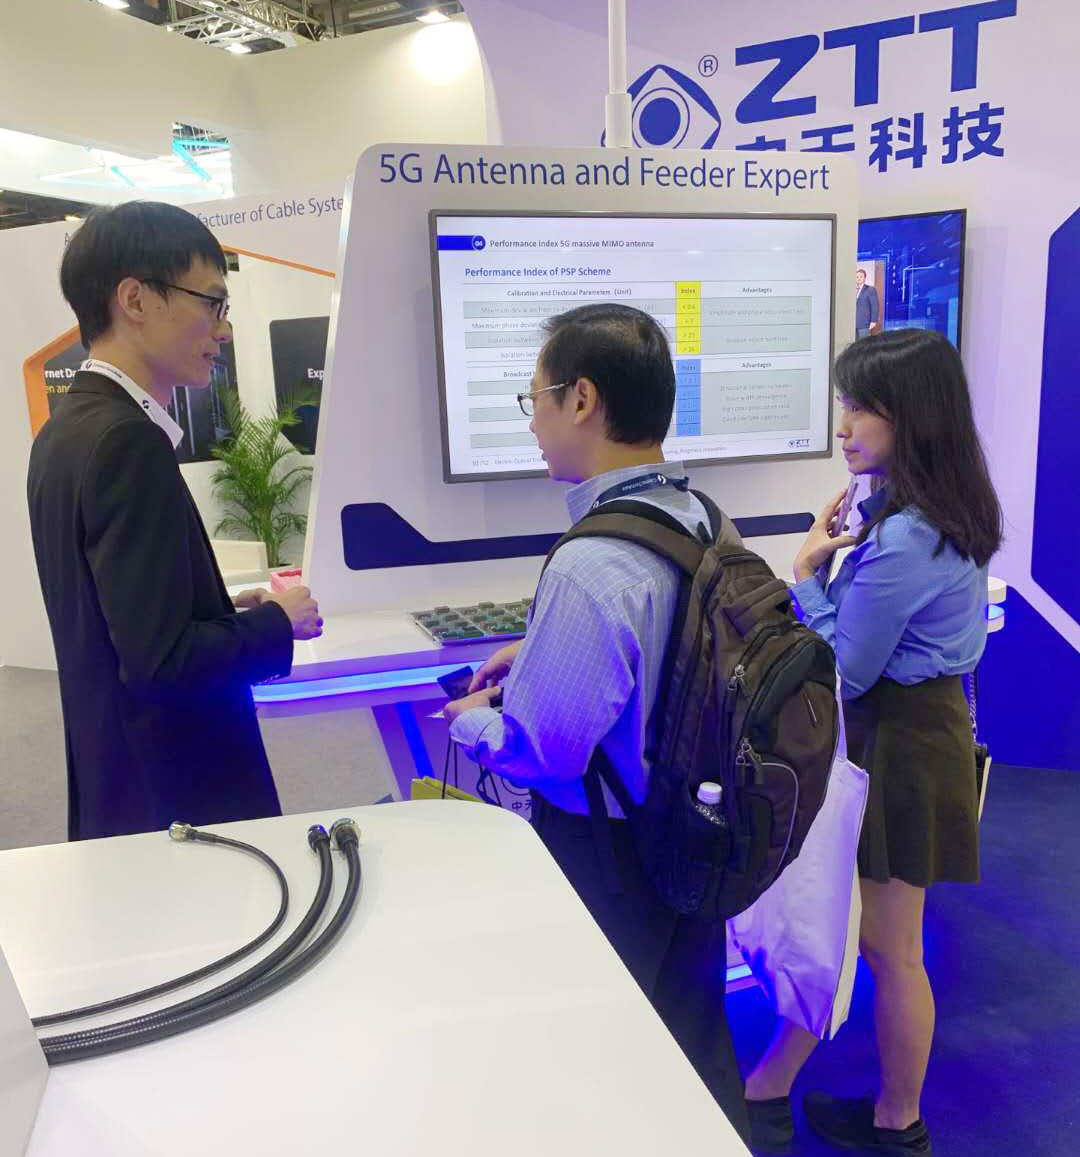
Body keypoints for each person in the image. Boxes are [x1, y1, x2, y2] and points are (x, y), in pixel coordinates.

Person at [443, 303, 750, 1141]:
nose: (532, 422)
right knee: (694, 1040)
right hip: (697, 832)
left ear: (581, 399)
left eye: (535, 399)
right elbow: (679, 650)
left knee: (599, 1060)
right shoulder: (705, 517)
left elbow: (544, 754)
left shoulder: (589, 564)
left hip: (609, 856)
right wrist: (539, 651)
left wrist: (472, 721)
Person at [742, 329, 1002, 1156]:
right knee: (877, 937)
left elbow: (844, 668)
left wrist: (807, 576)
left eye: (862, 408)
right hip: (915, 732)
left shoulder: (905, 537)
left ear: (913, 417)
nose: (843, 426)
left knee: (888, 944)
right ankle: (792, 1090)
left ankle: (890, 1121)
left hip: (898, 741)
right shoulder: (934, 514)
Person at [27, 201, 322, 841]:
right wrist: (280, 621)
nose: (224, 329)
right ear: (135, 299)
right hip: (178, 799)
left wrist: (215, 608)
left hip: (121, 781)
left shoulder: (66, 429)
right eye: (211, 302)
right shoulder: (126, 442)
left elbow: (114, 625)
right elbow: (162, 664)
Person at [856, 269, 880, 339]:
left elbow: (875, 306)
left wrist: (873, 321)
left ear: (864, 278)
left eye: (861, 277)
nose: (858, 278)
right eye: (857, 277)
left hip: (864, 324)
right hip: (852, 324)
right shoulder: (852, 290)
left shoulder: (870, 289)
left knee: (864, 343)